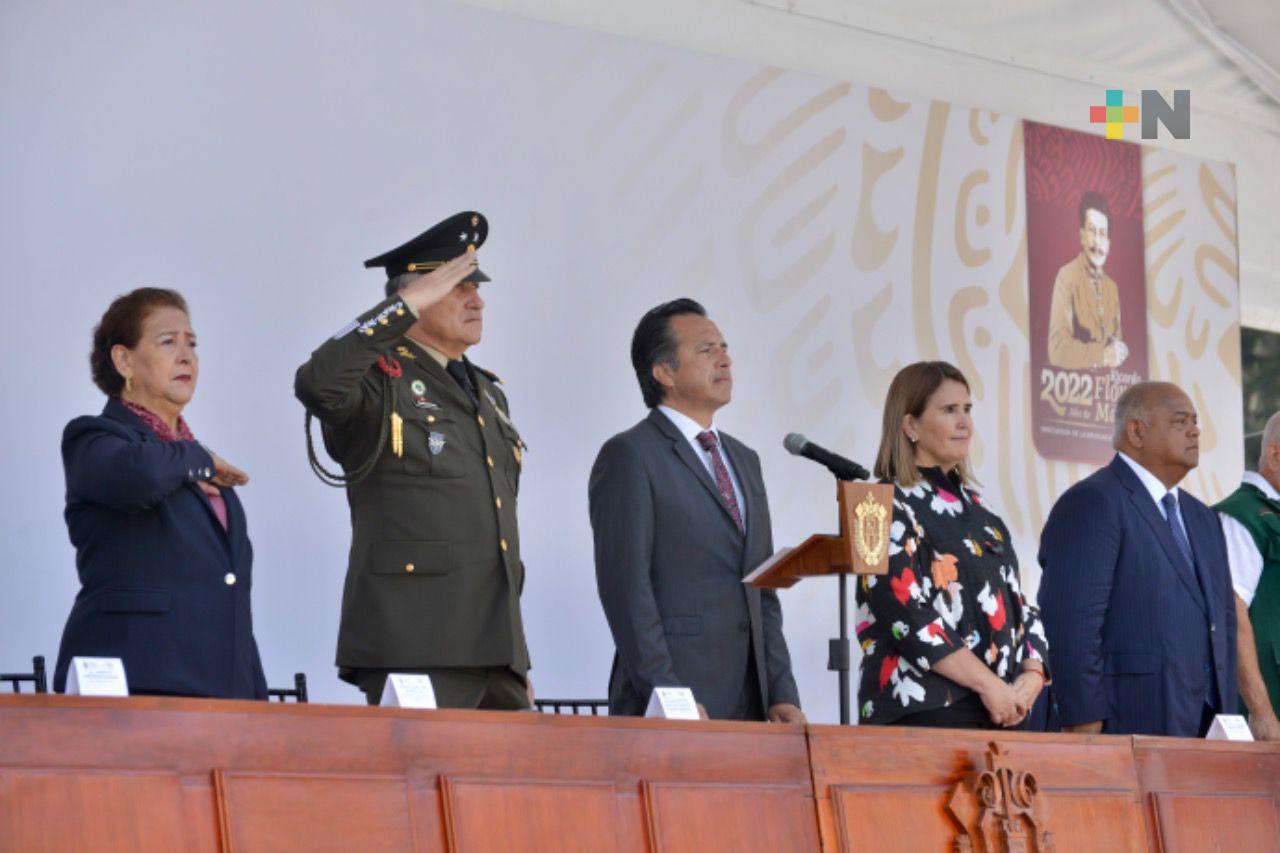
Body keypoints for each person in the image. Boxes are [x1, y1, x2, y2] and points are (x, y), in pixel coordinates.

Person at [295, 211, 532, 709]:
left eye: (476, 286)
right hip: (415, 644)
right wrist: (397, 311)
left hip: (495, 653)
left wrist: (514, 656)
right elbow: (317, 383)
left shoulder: (487, 392)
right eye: (457, 287)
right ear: (414, 298)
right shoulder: (378, 376)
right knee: (421, 785)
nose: (477, 299)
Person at [589, 299, 803, 722]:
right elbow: (627, 591)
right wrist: (668, 697)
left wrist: (783, 692)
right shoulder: (631, 455)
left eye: (724, 347)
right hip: (677, 702)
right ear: (663, 372)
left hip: (754, 702)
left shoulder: (744, 460)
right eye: (706, 350)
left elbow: (764, 589)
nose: (724, 358)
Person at [54, 288, 266, 699]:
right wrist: (197, 456)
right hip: (136, 684)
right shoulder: (94, 438)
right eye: (168, 341)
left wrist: (255, 699)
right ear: (124, 360)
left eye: (192, 343)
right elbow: (139, 476)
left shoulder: (197, 462)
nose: (186, 355)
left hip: (221, 695)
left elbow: (231, 594)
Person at [856, 361, 1048, 728]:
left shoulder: (983, 512)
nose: (965, 423)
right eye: (949, 411)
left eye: (967, 409)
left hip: (1001, 711)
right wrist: (988, 685)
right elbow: (906, 614)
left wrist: (1033, 675)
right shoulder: (878, 503)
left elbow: (1019, 604)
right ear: (910, 425)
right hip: (926, 712)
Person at [1039, 381, 1236, 736]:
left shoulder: (1202, 517)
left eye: (1195, 421)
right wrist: (1083, 721)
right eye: (1180, 421)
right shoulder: (1093, 502)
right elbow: (1073, 623)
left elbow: (1222, 620)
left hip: (1209, 725)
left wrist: (1230, 711)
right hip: (1128, 718)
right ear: (1136, 432)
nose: (1194, 431)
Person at [1215, 411, 1280, 740]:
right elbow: (1232, 613)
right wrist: (1262, 712)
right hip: (1270, 715)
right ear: (1275, 455)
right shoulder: (1241, 516)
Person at [1047, 190, 1128, 370]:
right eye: (1092, 231)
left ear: (1109, 243)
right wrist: (1102, 355)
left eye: (1102, 233)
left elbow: (1116, 346)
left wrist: (1120, 352)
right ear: (1082, 235)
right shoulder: (1066, 276)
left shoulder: (1112, 288)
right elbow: (1057, 349)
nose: (1097, 242)